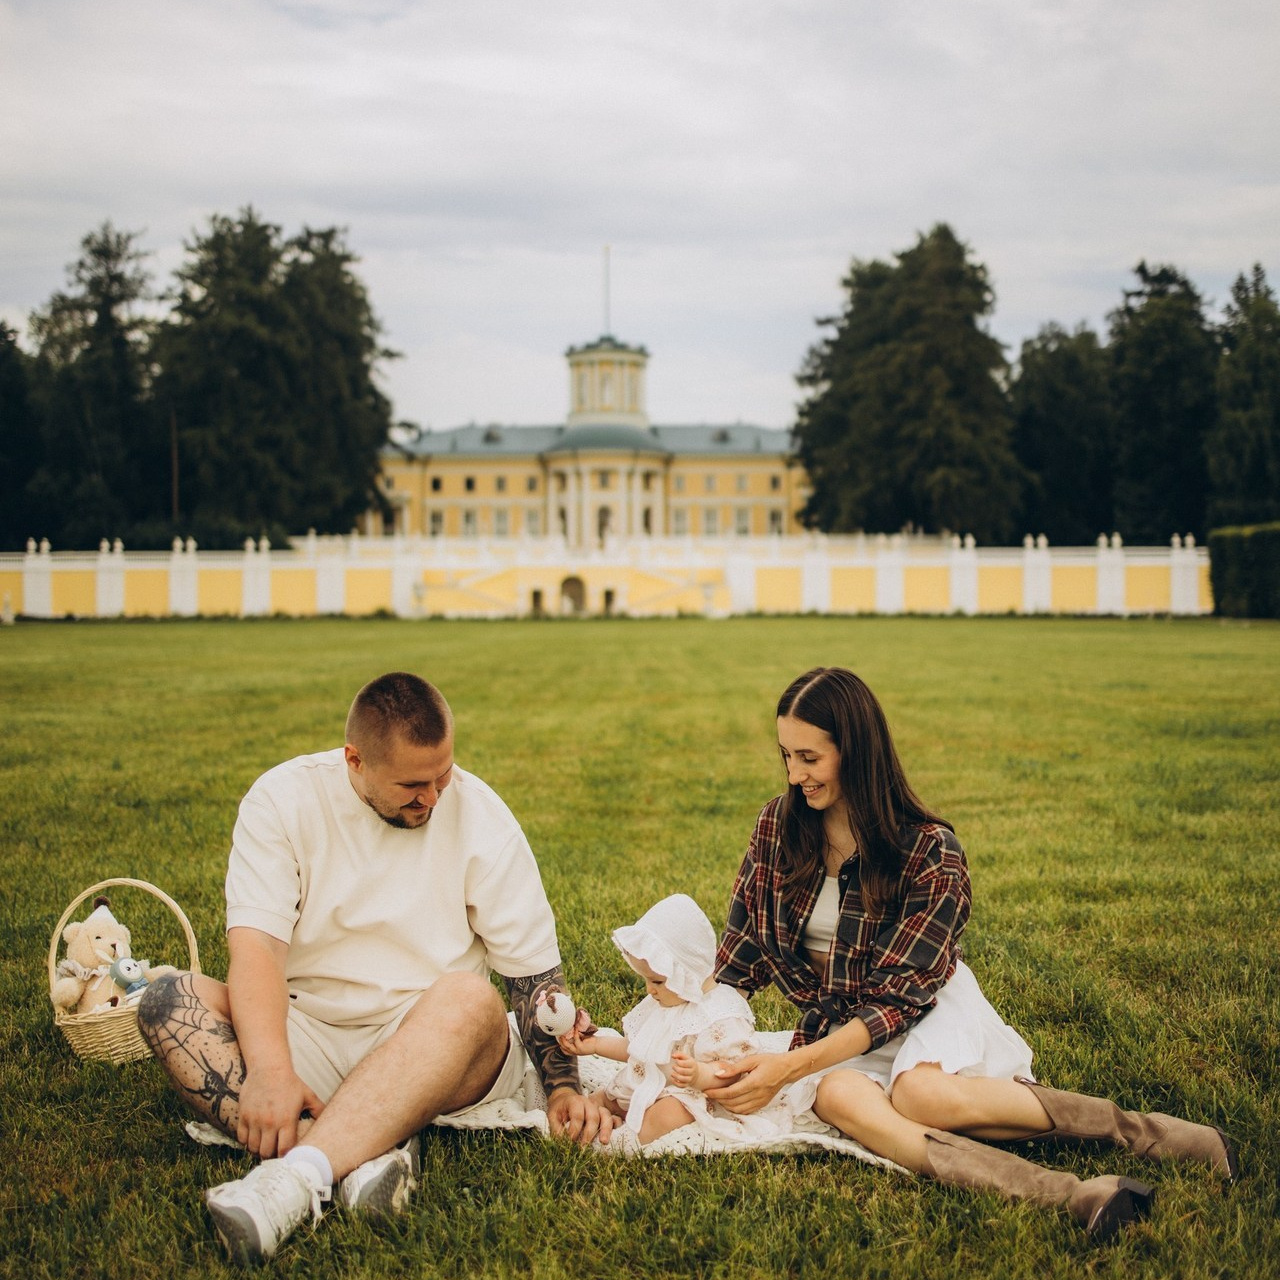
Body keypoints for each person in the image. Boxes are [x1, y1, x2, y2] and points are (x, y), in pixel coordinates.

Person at [707, 666, 1238, 1241]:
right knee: (835, 1093)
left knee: (919, 1094)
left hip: (927, 1009)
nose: (794, 774)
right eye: (786, 755)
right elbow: (737, 959)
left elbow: (896, 1001)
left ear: (855, 751)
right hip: (838, 1026)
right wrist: (687, 1024)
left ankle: (1140, 1133)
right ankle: (1074, 1196)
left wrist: (788, 1064)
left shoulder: (931, 851)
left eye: (809, 758)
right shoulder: (777, 828)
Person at [138, 672, 612, 1264]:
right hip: (306, 1031)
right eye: (413, 785)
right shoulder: (282, 800)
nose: (433, 798)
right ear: (355, 761)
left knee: (470, 998)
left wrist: (563, 1084)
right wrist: (268, 1070)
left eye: (442, 776)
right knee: (167, 1001)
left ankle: (294, 1180)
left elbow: (533, 981)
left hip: (434, 1043)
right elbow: (257, 951)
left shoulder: (480, 814)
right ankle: (366, 1154)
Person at [557, 893, 806, 1153]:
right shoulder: (665, 1001)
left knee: (670, 1112)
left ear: (686, 973)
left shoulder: (719, 1014)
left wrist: (699, 1074)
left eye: (657, 981)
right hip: (651, 1083)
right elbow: (636, 1049)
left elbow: (733, 1072)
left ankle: (627, 1142)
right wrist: (596, 1044)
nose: (650, 990)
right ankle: (591, 1120)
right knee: (607, 1096)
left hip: (693, 1093)